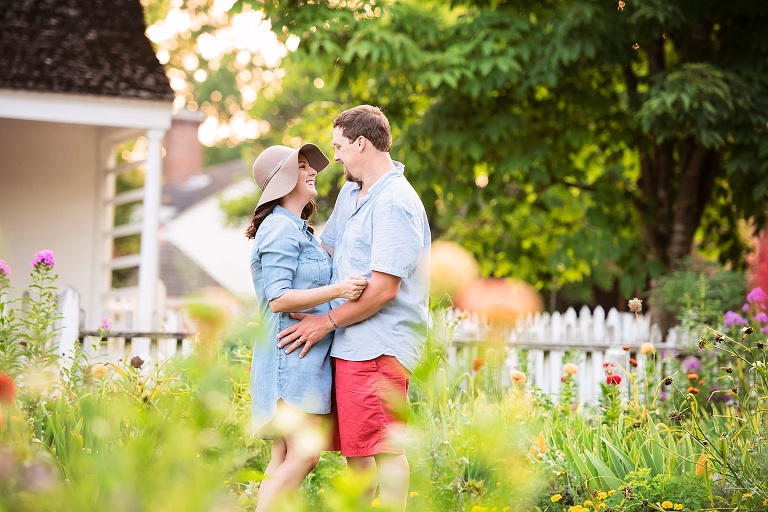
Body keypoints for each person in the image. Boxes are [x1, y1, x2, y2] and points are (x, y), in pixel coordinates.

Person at [277, 105, 431, 511]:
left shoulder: (395, 202)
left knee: (384, 447)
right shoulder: (352, 192)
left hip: (379, 344)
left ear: (361, 143)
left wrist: (322, 322)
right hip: (351, 342)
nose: (338, 156)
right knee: (359, 451)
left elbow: (383, 290)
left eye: (340, 146)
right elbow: (327, 252)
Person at [246, 142, 368, 512]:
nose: (312, 171)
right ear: (283, 179)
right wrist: (340, 290)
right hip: (290, 356)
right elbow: (278, 298)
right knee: (305, 454)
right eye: (301, 166)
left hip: (298, 354)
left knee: (283, 456)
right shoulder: (280, 229)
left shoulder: (299, 230)